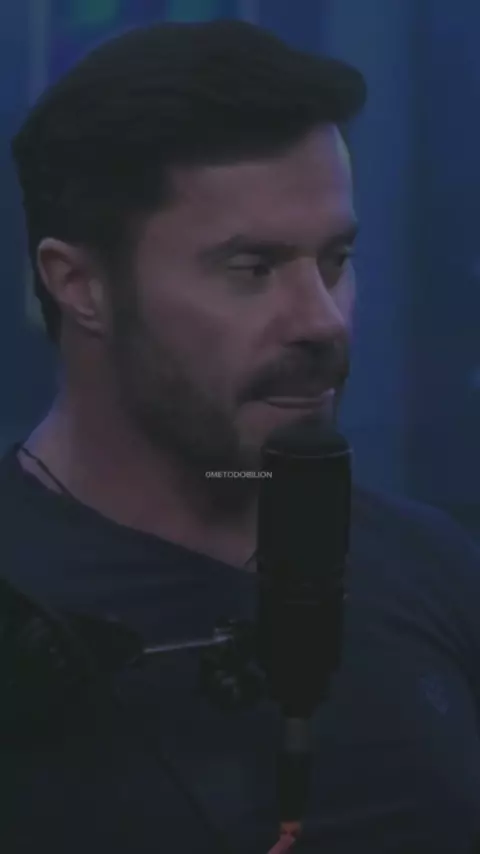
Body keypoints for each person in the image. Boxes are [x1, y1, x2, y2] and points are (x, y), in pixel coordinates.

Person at [1, 18, 479, 854]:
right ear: (79, 285)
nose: (322, 321)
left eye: (335, 261)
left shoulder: (434, 569)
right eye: (252, 270)